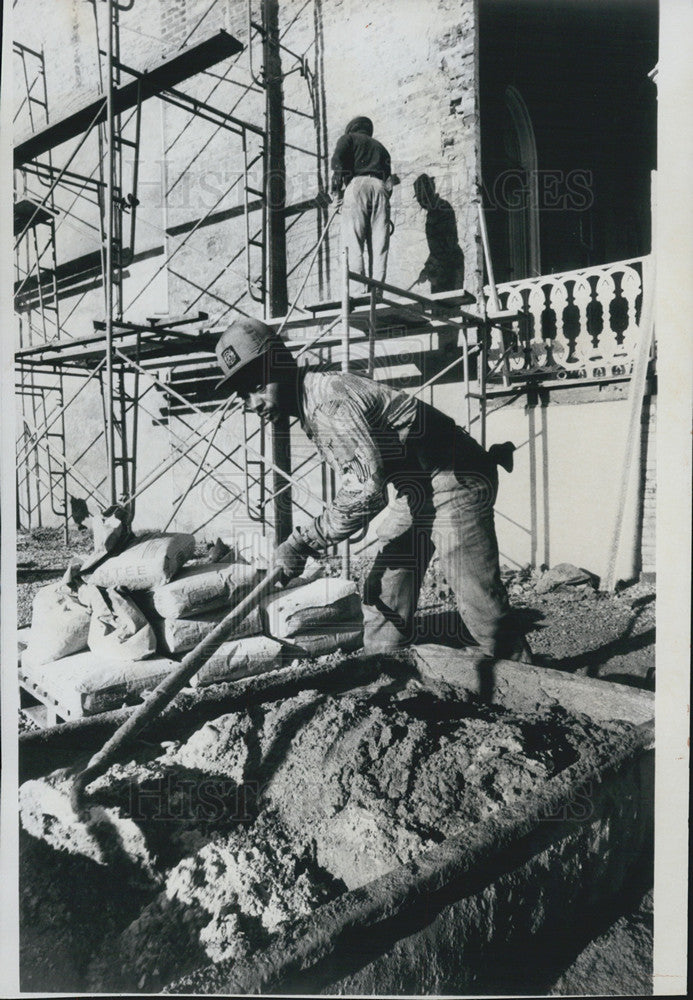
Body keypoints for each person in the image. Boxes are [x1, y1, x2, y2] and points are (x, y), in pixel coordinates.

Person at [215, 317, 531, 662]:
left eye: (258, 386)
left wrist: (303, 541)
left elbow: (366, 491)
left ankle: (534, 687)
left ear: (283, 365)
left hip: (457, 476)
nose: (252, 402)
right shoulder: (312, 401)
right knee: (385, 587)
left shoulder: (328, 403)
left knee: (475, 593)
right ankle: (384, 667)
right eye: (243, 395)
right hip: (417, 487)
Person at [331, 115, 393, 284]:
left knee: (353, 240)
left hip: (357, 186)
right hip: (380, 188)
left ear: (351, 129)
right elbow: (389, 183)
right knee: (380, 243)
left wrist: (336, 195)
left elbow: (337, 163)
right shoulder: (381, 148)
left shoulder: (348, 139)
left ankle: (359, 291)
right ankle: (378, 289)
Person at [413, 173, 465, 293]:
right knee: (438, 307)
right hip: (440, 266)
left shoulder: (442, 209)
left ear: (429, 194)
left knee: (449, 305)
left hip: (450, 266)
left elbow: (446, 245)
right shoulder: (433, 212)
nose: (421, 203)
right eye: (419, 200)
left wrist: (431, 267)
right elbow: (436, 248)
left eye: (422, 199)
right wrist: (427, 268)